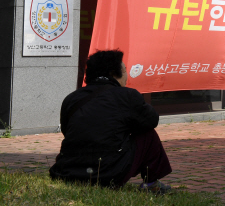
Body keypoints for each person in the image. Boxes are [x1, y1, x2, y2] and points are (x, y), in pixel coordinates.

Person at [50, 50, 172, 193]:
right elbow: (151, 120)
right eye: (125, 70)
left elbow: (66, 130)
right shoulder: (127, 95)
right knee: (147, 135)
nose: (127, 76)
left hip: (66, 172)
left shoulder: (72, 98)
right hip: (108, 174)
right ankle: (151, 184)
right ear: (115, 74)